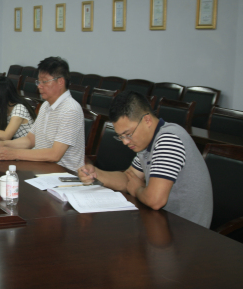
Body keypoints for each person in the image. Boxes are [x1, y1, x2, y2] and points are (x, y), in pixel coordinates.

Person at [77, 91, 213, 227]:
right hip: (164, 222)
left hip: (188, 230)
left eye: (128, 134)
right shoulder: (147, 144)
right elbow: (128, 179)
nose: (125, 142)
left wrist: (138, 189)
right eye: (121, 136)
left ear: (147, 120)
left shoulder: (169, 139)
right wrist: (95, 174)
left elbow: (155, 200)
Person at [0, 56, 85, 171]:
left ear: (60, 82)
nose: (39, 86)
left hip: (64, 174)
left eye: (44, 81)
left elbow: (55, 154)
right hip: (42, 169)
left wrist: (14, 153)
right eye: (39, 81)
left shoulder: (71, 110)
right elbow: (30, 140)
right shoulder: (46, 106)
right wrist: (4, 144)